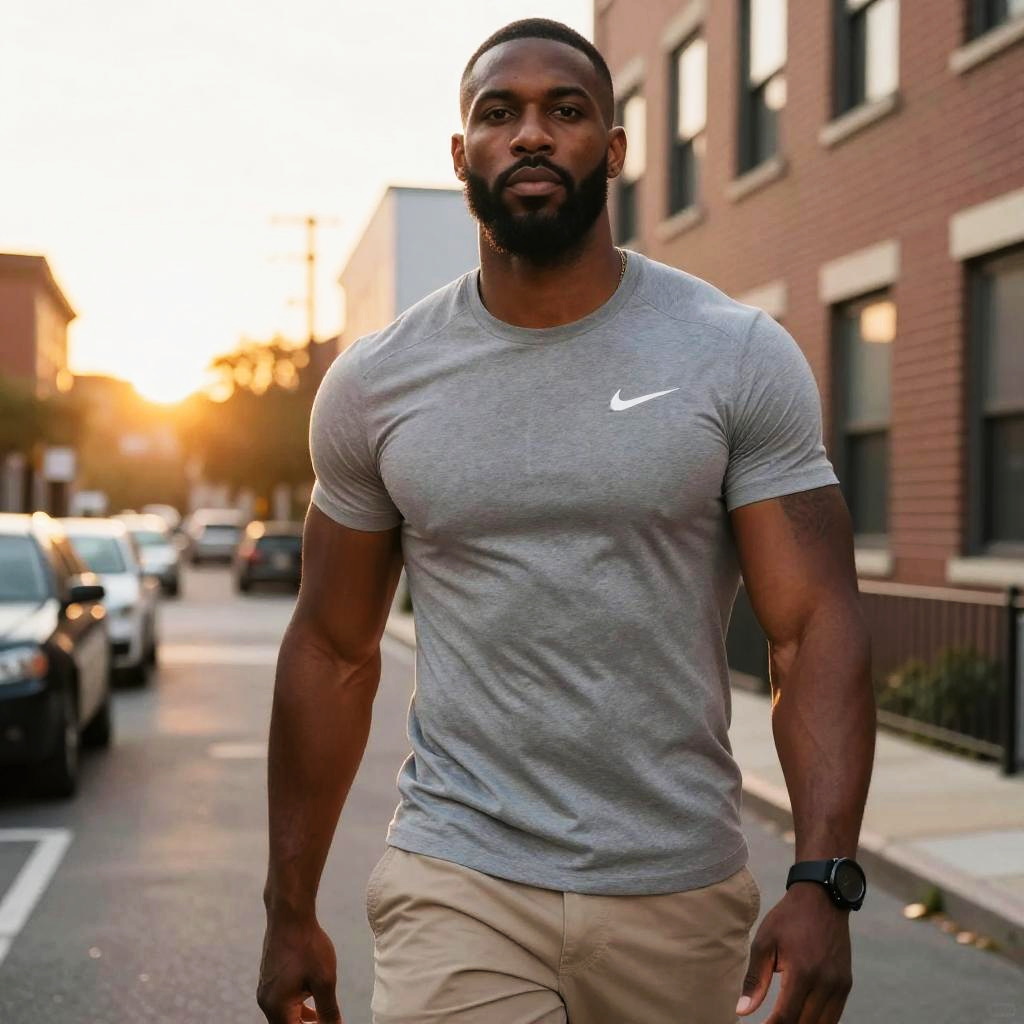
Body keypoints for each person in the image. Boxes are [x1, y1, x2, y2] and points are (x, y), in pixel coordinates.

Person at [257, 17, 876, 1024]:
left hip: (676, 883)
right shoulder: (376, 382)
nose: (531, 134)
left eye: (566, 110)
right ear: (461, 154)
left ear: (615, 149)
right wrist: (289, 907)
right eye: (498, 113)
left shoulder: (733, 353)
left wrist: (824, 878)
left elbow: (811, 626)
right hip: (459, 875)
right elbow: (331, 647)